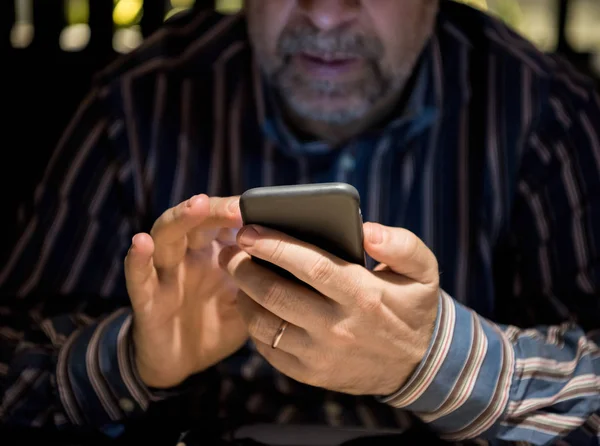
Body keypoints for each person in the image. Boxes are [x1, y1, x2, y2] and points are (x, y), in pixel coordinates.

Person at [0, 0, 599, 444]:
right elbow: (12, 365)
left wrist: (434, 358)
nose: (326, 16)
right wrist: (132, 357)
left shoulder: (545, 114)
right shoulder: (135, 103)